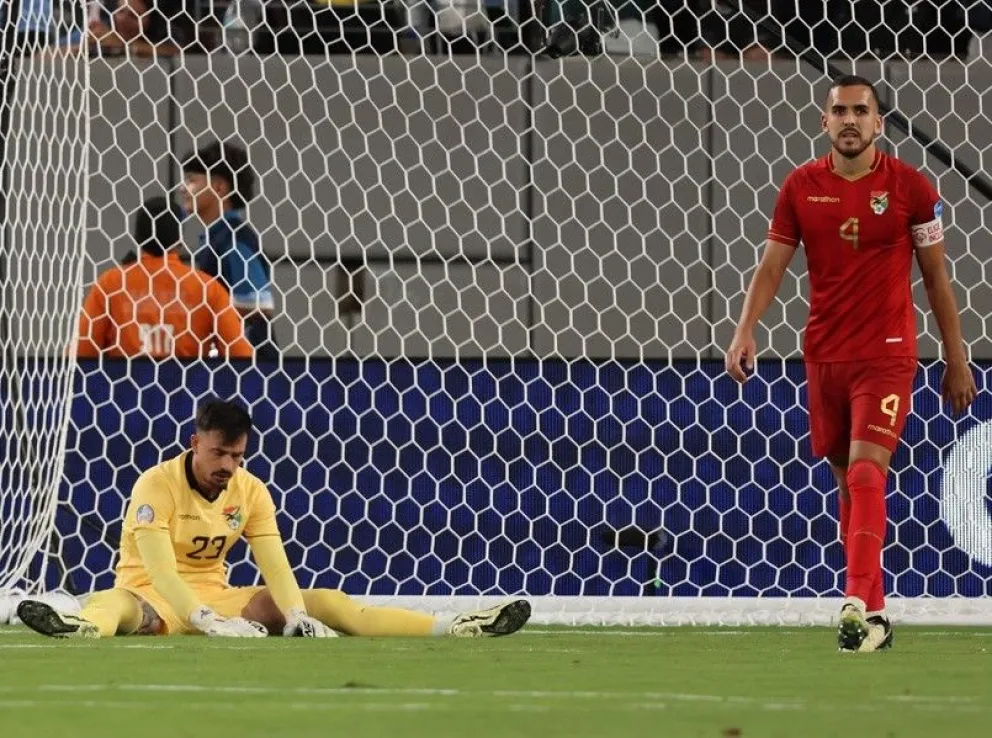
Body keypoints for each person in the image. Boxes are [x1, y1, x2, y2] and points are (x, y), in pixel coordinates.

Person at [724, 74, 977, 653]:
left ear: (878, 123)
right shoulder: (800, 186)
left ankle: (855, 601)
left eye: (861, 111)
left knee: (867, 473)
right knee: (846, 483)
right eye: (839, 111)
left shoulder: (912, 187)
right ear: (824, 121)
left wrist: (955, 357)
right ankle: (877, 617)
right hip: (825, 354)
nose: (850, 120)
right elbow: (772, 266)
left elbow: (936, 277)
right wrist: (744, 328)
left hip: (887, 354)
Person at [17, 399, 531, 638]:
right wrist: (204, 620)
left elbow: (274, 562)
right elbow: (161, 572)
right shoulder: (156, 484)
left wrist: (295, 613)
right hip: (153, 595)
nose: (228, 466)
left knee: (325, 601)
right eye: (219, 453)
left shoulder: (251, 490)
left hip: (220, 597)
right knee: (115, 606)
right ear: (194, 443)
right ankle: (79, 627)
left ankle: (453, 627)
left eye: (237, 455)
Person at [76, 196, 254, 359]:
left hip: (123, 384)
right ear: (180, 239)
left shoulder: (110, 283)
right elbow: (242, 358)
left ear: (137, 237)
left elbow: (81, 353)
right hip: (187, 384)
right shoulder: (208, 288)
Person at [180, 141, 280, 361]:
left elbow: (259, 304)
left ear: (218, 187)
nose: (182, 188)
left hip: (250, 365)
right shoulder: (217, 238)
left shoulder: (234, 238)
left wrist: (199, 315)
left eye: (191, 180)